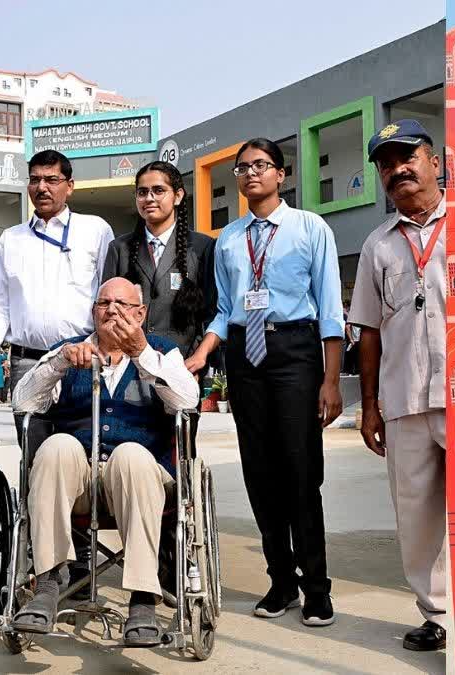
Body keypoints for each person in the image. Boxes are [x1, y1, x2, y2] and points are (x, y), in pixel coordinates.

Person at [184, 138, 344, 627]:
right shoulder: (229, 239)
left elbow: (331, 309)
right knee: (259, 471)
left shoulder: (310, 229)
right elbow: (225, 309)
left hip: (295, 351)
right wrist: (203, 352)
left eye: (262, 165)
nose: (251, 173)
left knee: (300, 472)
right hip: (244, 357)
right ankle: (281, 582)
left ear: (281, 174)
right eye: (243, 167)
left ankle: (316, 587)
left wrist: (332, 379)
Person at [10, 277, 199, 646]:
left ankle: (143, 599)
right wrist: (59, 364)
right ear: (93, 311)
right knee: (56, 446)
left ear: (141, 313)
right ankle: (48, 582)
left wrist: (142, 354)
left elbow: (187, 402)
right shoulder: (68, 349)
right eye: (103, 303)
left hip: (138, 480)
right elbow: (23, 403)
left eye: (123, 304)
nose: (112, 310)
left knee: (131, 455)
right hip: (78, 478)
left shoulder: (163, 351)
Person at [350, 119, 449, 651]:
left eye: (407, 156)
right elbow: (367, 330)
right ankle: (437, 614)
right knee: (415, 514)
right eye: (386, 164)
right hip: (405, 398)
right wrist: (369, 406)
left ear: (435, 161)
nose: (398, 169)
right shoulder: (376, 246)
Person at [0, 150, 113, 420]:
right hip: (28, 362)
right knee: (33, 450)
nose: (42, 187)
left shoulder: (96, 230)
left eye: (51, 179)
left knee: (83, 448)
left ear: (69, 186)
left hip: (82, 360)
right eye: (35, 180)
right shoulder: (11, 239)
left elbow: (107, 296)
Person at [102, 161, 217, 359]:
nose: (149, 198)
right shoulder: (119, 249)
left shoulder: (202, 247)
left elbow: (210, 312)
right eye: (142, 192)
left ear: (178, 196)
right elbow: (105, 310)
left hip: (182, 363)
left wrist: (199, 358)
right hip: (128, 364)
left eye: (158, 190)